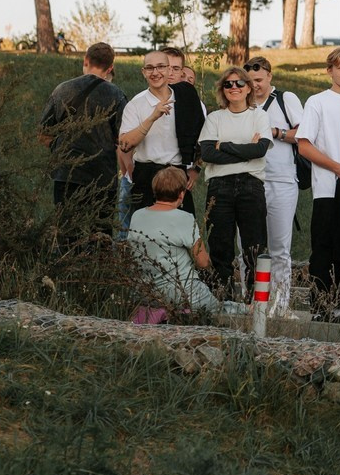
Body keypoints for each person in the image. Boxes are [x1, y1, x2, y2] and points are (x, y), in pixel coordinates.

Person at [296, 47, 340, 322]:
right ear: (330, 71)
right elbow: (304, 146)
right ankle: (320, 309)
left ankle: (338, 307)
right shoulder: (317, 101)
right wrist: (337, 168)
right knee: (324, 250)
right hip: (328, 186)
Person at [198, 66, 271, 300]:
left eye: (239, 83)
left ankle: (255, 303)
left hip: (251, 185)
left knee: (254, 246)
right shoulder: (214, 118)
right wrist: (245, 150)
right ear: (223, 89)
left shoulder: (258, 115)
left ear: (248, 87)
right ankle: (223, 299)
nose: (234, 88)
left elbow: (260, 149)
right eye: (228, 84)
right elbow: (208, 154)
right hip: (219, 186)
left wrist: (225, 145)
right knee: (220, 245)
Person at [39, 42, 126, 237]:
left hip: (67, 172)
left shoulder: (62, 90)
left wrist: (59, 149)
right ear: (110, 67)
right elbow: (123, 139)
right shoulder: (117, 94)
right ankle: (100, 267)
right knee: (101, 233)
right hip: (103, 174)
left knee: (67, 231)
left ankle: (68, 266)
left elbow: (43, 132)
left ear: (85, 60)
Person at [245, 56, 303, 316]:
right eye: (250, 81)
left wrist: (276, 132)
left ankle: (280, 305)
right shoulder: (242, 103)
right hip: (249, 180)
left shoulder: (285, 99)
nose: (255, 85)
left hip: (281, 179)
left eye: (259, 80)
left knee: (280, 247)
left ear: (269, 76)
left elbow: (303, 135)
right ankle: (252, 303)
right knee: (248, 247)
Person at [126, 166, 219, 313]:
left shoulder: (137, 215)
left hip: (142, 293)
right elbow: (202, 262)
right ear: (181, 195)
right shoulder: (184, 218)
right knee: (224, 308)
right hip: (181, 294)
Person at [120, 51, 196, 212]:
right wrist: (152, 117)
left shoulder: (185, 97)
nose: (155, 72)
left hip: (177, 174)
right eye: (149, 68)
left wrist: (196, 168)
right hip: (146, 177)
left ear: (169, 70)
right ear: (143, 72)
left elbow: (201, 134)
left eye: (160, 67)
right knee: (144, 234)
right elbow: (125, 144)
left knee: (182, 232)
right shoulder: (136, 104)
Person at [161, 46, 206, 196]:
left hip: (179, 169)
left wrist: (196, 169)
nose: (170, 72)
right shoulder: (141, 99)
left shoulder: (193, 102)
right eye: (166, 67)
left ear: (181, 72)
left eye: (175, 68)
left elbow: (203, 136)